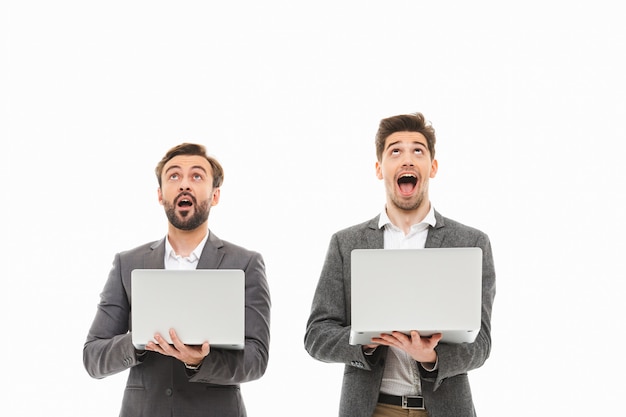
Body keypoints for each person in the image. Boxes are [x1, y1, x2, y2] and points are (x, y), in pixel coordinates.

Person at [304, 112, 496, 417]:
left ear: (432, 167)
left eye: (417, 150)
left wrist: (432, 356)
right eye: (395, 150)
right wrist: (366, 341)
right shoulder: (346, 243)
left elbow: (481, 343)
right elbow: (316, 336)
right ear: (380, 169)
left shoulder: (471, 242)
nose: (407, 159)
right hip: (373, 409)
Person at [83, 143, 271, 417]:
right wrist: (139, 341)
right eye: (174, 176)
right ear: (160, 195)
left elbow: (257, 358)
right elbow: (93, 357)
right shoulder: (128, 263)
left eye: (197, 176)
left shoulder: (246, 263)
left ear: (215, 195)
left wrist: (201, 361)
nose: (185, 184)